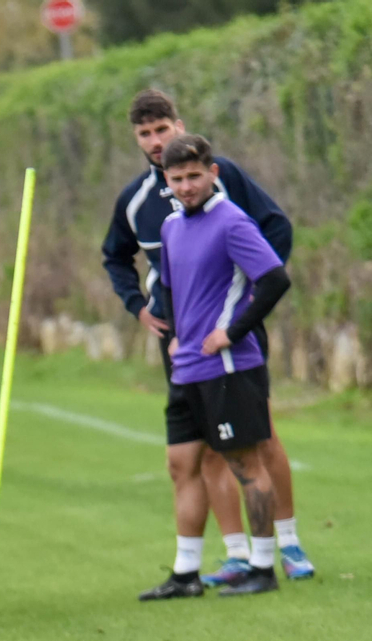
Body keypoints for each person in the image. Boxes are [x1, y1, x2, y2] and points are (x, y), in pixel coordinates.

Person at [102, 88, 314, 583]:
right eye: (145, 134)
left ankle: (288, 543)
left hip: (229, 332)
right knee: (205, 448)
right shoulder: (139, 203)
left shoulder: (224, 178)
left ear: (180, 124)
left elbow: (273, 233)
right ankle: (236, 552)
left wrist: (242, 301)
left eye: (162, 128)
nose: (156, 141)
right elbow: (117, 257)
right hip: (181, 337)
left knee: (259, 437)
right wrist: (142, 308)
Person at [139, 134, 289, 600]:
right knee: (180, 464)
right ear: (166, 179)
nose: (186, 186)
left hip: (229, 368)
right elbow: (171, 286)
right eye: (177, 179)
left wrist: (233, 331)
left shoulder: (232, 221)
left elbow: (274, 279)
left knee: (245, 465)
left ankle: (262, 567)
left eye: (194, 177)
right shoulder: (170, 227)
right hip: (187, 370)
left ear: (213, 173)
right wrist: (178, 332)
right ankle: (186, 574)